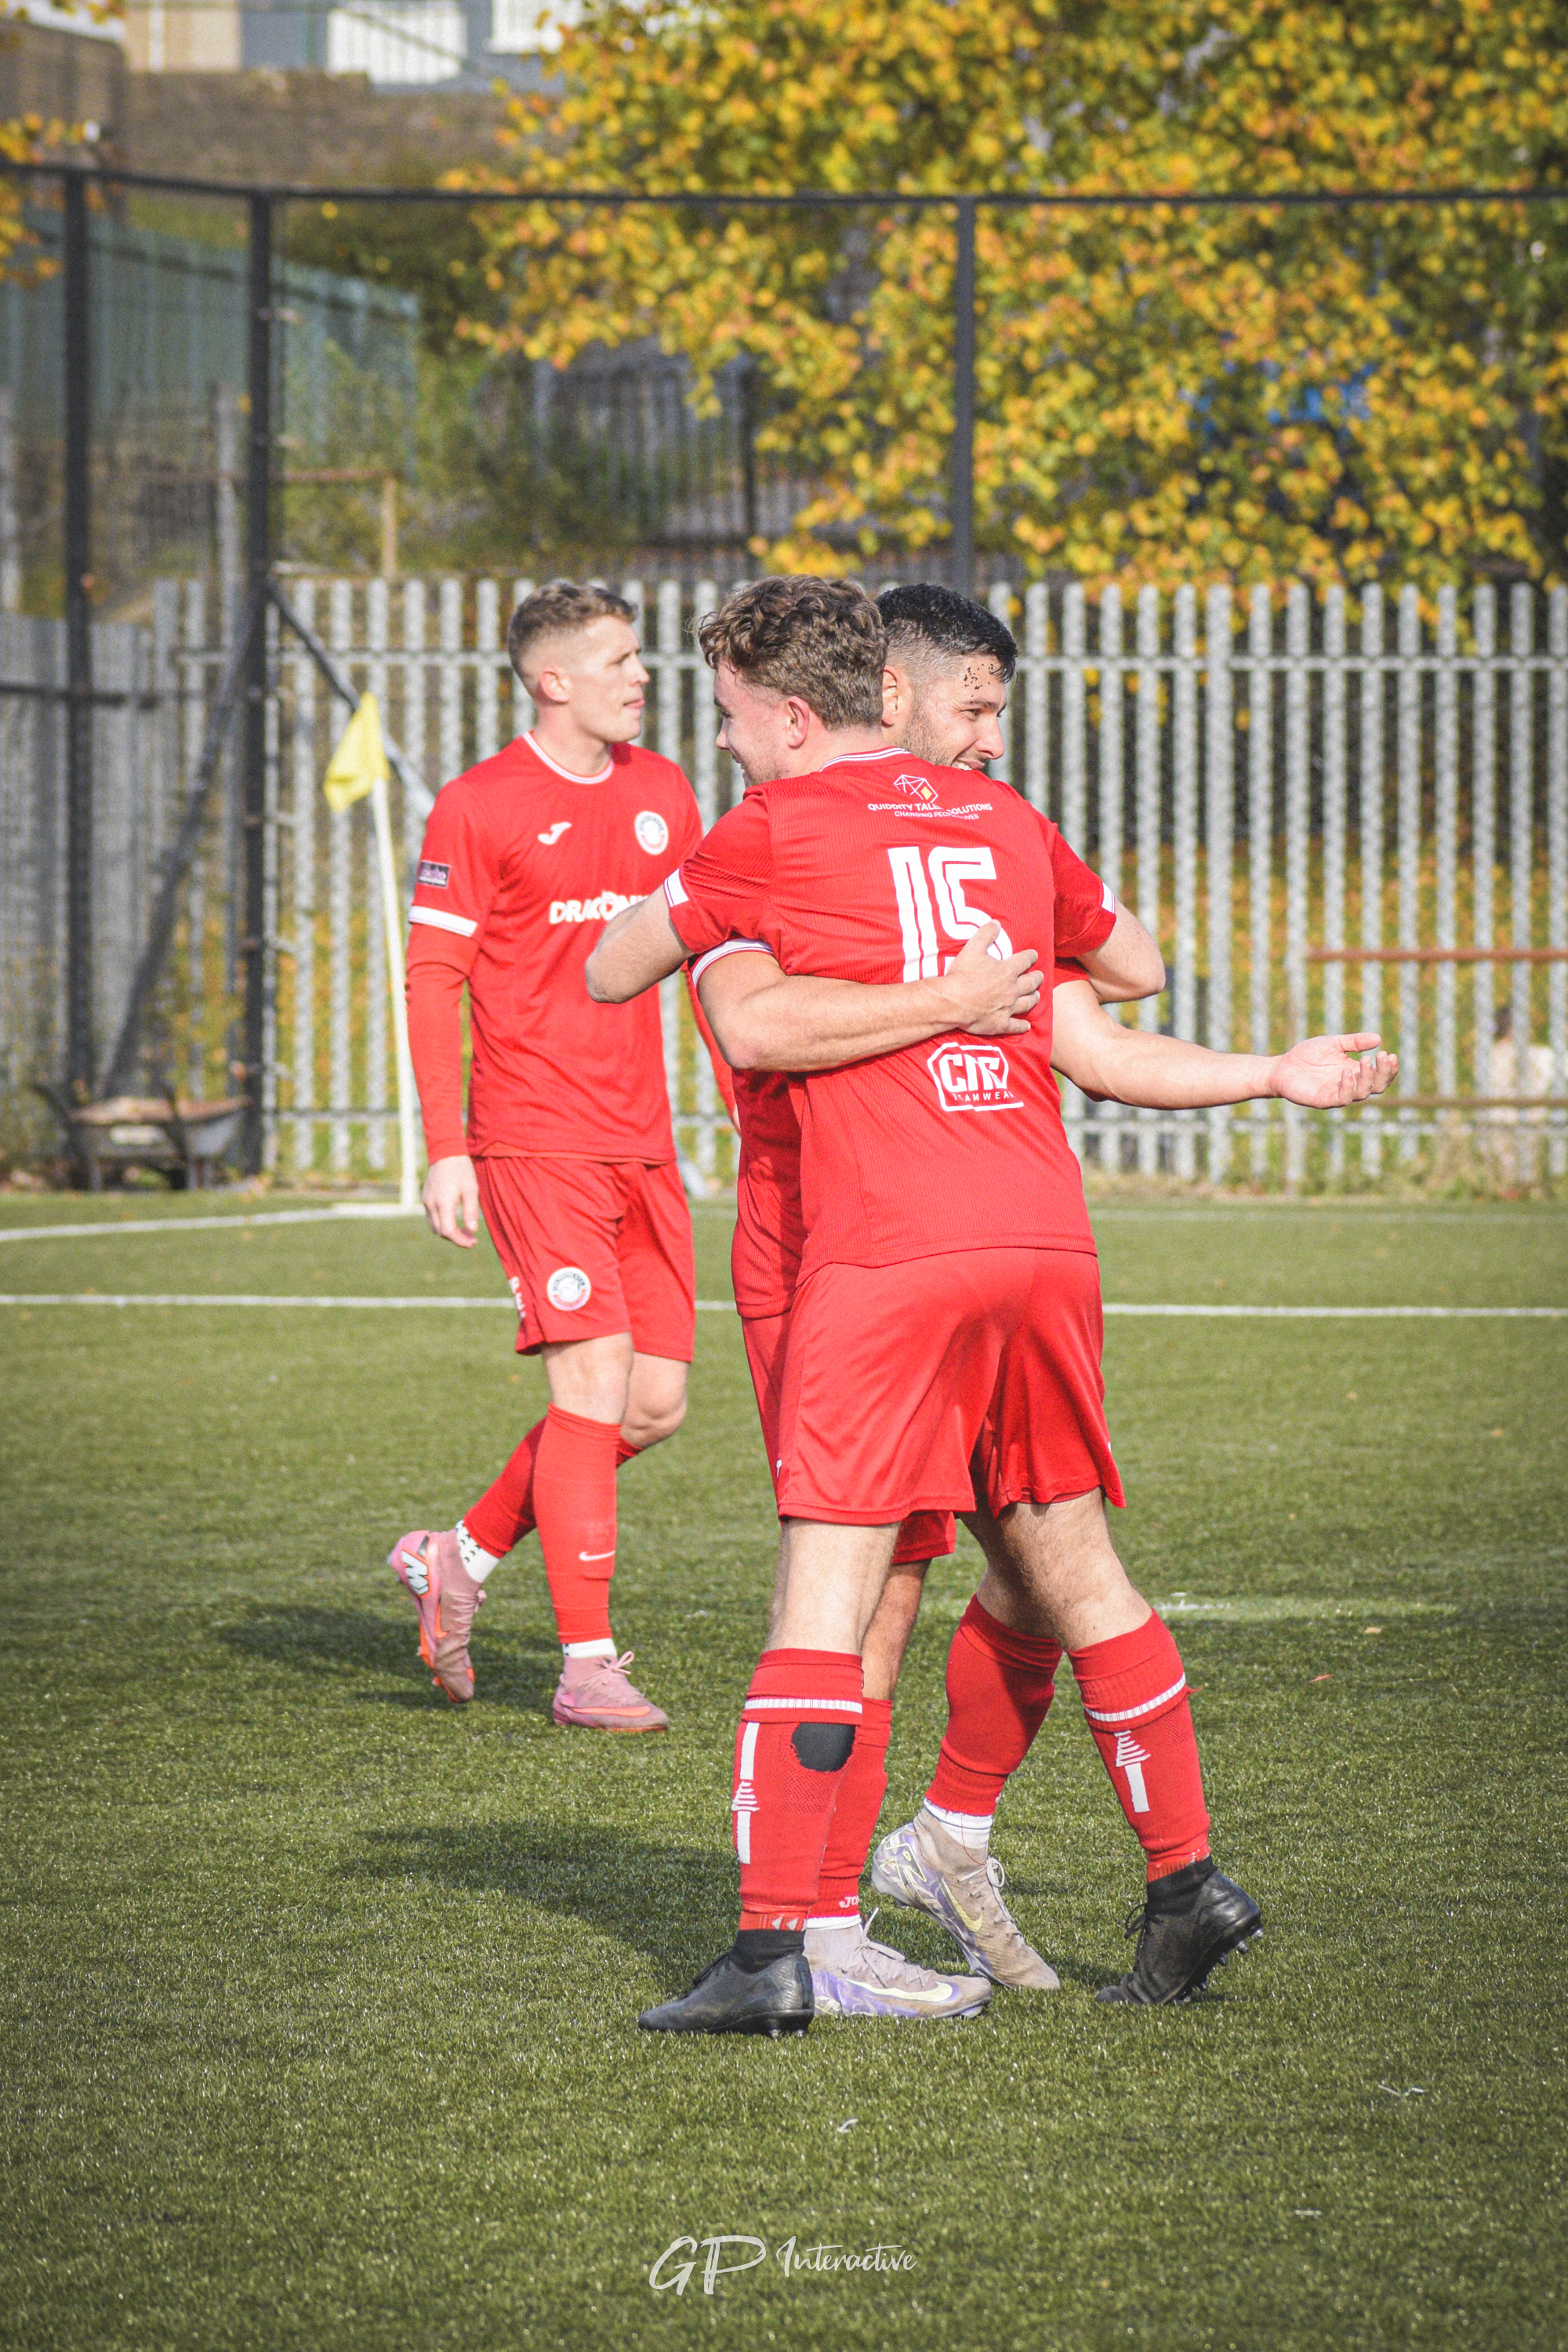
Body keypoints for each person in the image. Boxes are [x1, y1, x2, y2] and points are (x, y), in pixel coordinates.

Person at [589, 575, 1394, 2034]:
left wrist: (872, 971)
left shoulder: (768, 833)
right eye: (977, 702)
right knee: (1057, 1572)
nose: (985, 726)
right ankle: (1151, 1874)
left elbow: (652, 979)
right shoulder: (1011, 825)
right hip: (1039, 1233)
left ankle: (790, 1940)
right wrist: (1270, 1069)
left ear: (790, 712)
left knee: (843, 1592)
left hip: (866, 1242)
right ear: (892, 693)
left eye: (725, 718)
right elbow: (1122, 985)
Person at [390, 579, 707, 1734]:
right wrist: (446, 1148)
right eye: (620, 659)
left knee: (656, 1404)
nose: (641, 677)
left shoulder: (666, 791)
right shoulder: (477, 807)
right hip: (531, 1139)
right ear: (551, 679)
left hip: (642, 1145)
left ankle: (457, 1554)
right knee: (592, 1386)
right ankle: (587, 1664)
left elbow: (712, 951)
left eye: (640, 658)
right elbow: (435, 981)